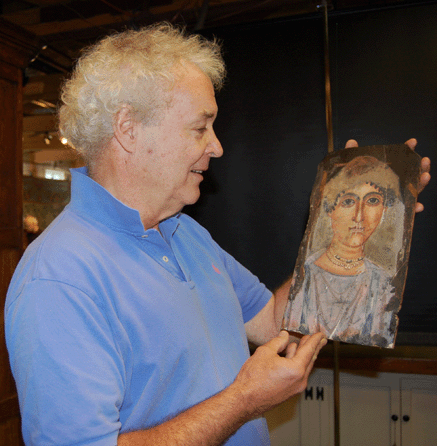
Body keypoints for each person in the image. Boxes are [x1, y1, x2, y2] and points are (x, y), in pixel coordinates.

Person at [4, 23, 430, 446]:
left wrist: (341, 230)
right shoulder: (58, 278)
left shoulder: (186, 233)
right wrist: (242, 401)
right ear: (129, 130)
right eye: (199, 127)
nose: (217, 146)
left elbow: (275, 323)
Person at [283, 156, 406, 348]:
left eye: (372, 200)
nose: (359, 216)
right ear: (329, 209)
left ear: (384, 210)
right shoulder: (307, 274)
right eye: (348, 201)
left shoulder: (383, 281)